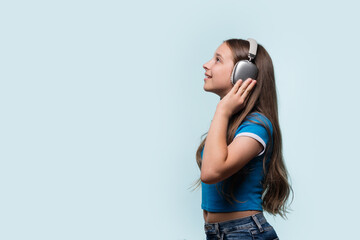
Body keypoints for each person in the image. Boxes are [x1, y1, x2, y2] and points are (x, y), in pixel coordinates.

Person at [190, 38, 293, 239]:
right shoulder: (227, 123)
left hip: (245, 232)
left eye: (218, 59)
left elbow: (211, 172)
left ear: (243, 73)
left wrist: (222, 109)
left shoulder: (257, 125)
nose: (206, 64)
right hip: (218, 233)